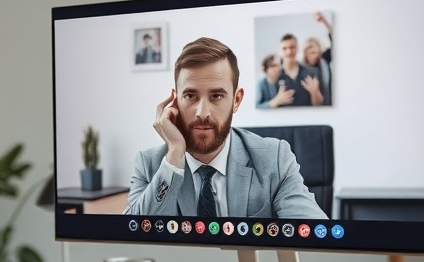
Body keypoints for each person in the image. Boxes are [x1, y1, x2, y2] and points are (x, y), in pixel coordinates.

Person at [124, 37, 327, 219]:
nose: (202, 112)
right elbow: (130, 238)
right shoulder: (150, 164)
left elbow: (317, 235)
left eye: (216, 96)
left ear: (236, 100)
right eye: (190, 96)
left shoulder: (275, 159)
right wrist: (175, 153)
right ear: (175, 101)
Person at [277, 33, 323, 106]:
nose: (289, 52)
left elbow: (319, 105)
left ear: (297, 48)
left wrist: (315, 92)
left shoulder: (311, 72)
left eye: (292, 47)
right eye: (284, 48)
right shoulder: (275, 76)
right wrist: (277, 101)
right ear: (280, 51)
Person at [300, 11, 333, 105]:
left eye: (316, 51)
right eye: (311, 52)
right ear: (305, 53)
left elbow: (336, 40)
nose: (315, 55)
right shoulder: (301, 69)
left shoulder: (324, 59)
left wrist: (324, 21)